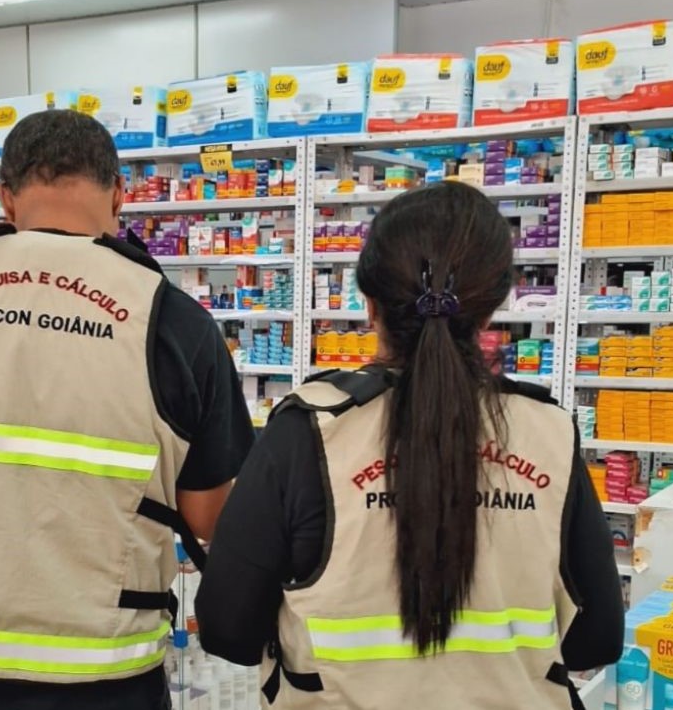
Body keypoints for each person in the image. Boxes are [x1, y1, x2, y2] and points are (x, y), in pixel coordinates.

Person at [0, 109, 255, 710]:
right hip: (108, 675)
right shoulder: (172, 320)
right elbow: (211, 518)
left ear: (5, 199)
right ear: (120, 198)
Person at [195, 180, 625, 709]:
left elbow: (226, 628)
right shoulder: (548, 433)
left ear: (369, 305)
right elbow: (597, 639)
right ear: (490, 310)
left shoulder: (310, 432)